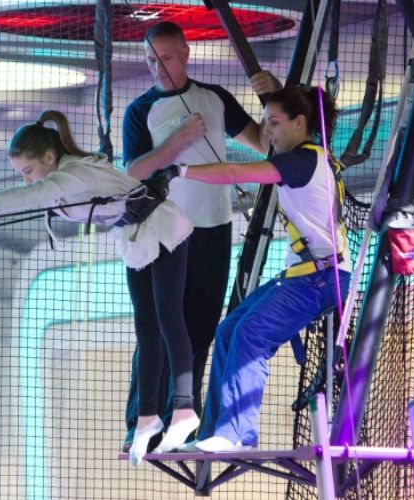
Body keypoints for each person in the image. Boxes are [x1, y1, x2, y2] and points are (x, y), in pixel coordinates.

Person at [0, 110, 199, 466]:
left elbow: (20, 199)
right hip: (136, 238)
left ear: (48, 158)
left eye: (28, 172)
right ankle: (147, 418)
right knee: (147, 330)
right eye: (21, 175)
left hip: (164, 229)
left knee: (168, 318)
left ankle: (184, 410)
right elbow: (29, 196)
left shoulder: (71, 175)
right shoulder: (62, 179)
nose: (27, 181)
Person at [120, 20, 276, 452]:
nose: (159, 68)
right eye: (151, 60)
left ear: (185, 54)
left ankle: (184, 420)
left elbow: (266, 144)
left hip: (213, 227)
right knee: (157, 326)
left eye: (166, 58)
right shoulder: (141, 110)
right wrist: (178, 140)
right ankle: (143, 421)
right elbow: (133, 171)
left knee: (201, 327)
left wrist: (272, 96)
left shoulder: (214, 98)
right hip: (166, 233)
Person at [173, 85, 351, 452]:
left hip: (322, 279)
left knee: (252, 334)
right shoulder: (305, 157)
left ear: (299, 122)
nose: (266, 131)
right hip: (305, 275)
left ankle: (239, 432)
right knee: (229, 330)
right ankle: (215, 433)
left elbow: (237, 170)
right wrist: (265, 82)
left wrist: (182, 171)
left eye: (273, 122)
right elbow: (272, 92)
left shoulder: (302, 160)